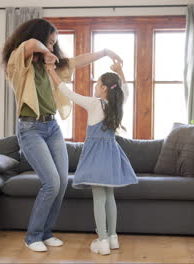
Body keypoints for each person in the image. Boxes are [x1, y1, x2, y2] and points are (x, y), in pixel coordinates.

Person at [2, 18, 123, 252]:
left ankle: (46, 233)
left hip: (52, 128)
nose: (52, 46)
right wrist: (46, 50)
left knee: (62, 182)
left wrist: (105, 51)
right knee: (51, 182)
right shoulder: (19, 61)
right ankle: (33, 236)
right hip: (30, 129)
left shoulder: (52, 66)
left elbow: (77, 61)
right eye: (49, 41)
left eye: (54, 43)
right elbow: (29, 44)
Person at [46, 61, 138, 255]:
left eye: (97, 84)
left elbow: (68, 93)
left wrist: (52, 72)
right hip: (112, 153)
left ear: (104, 88)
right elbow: (126, 89)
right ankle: (113, 238)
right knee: (109, 195)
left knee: (99, 196)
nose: (95, 87)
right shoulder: (118, 103)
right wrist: (121, 71)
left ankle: (102, 240)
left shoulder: (95, 104)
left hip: (96, 155)